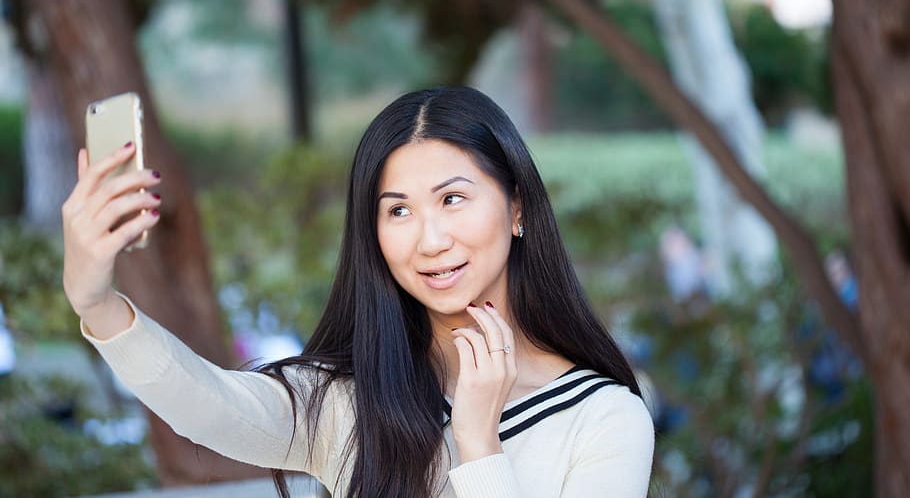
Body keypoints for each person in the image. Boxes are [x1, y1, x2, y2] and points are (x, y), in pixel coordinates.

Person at [61, 86, 654, 498]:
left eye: (452, 199)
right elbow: (207, 405)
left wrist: (479, 442)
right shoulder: (350, 396)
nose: (431, 240)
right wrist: (96, 303)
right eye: (398, 210)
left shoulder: (604, 418)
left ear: (517, 206)